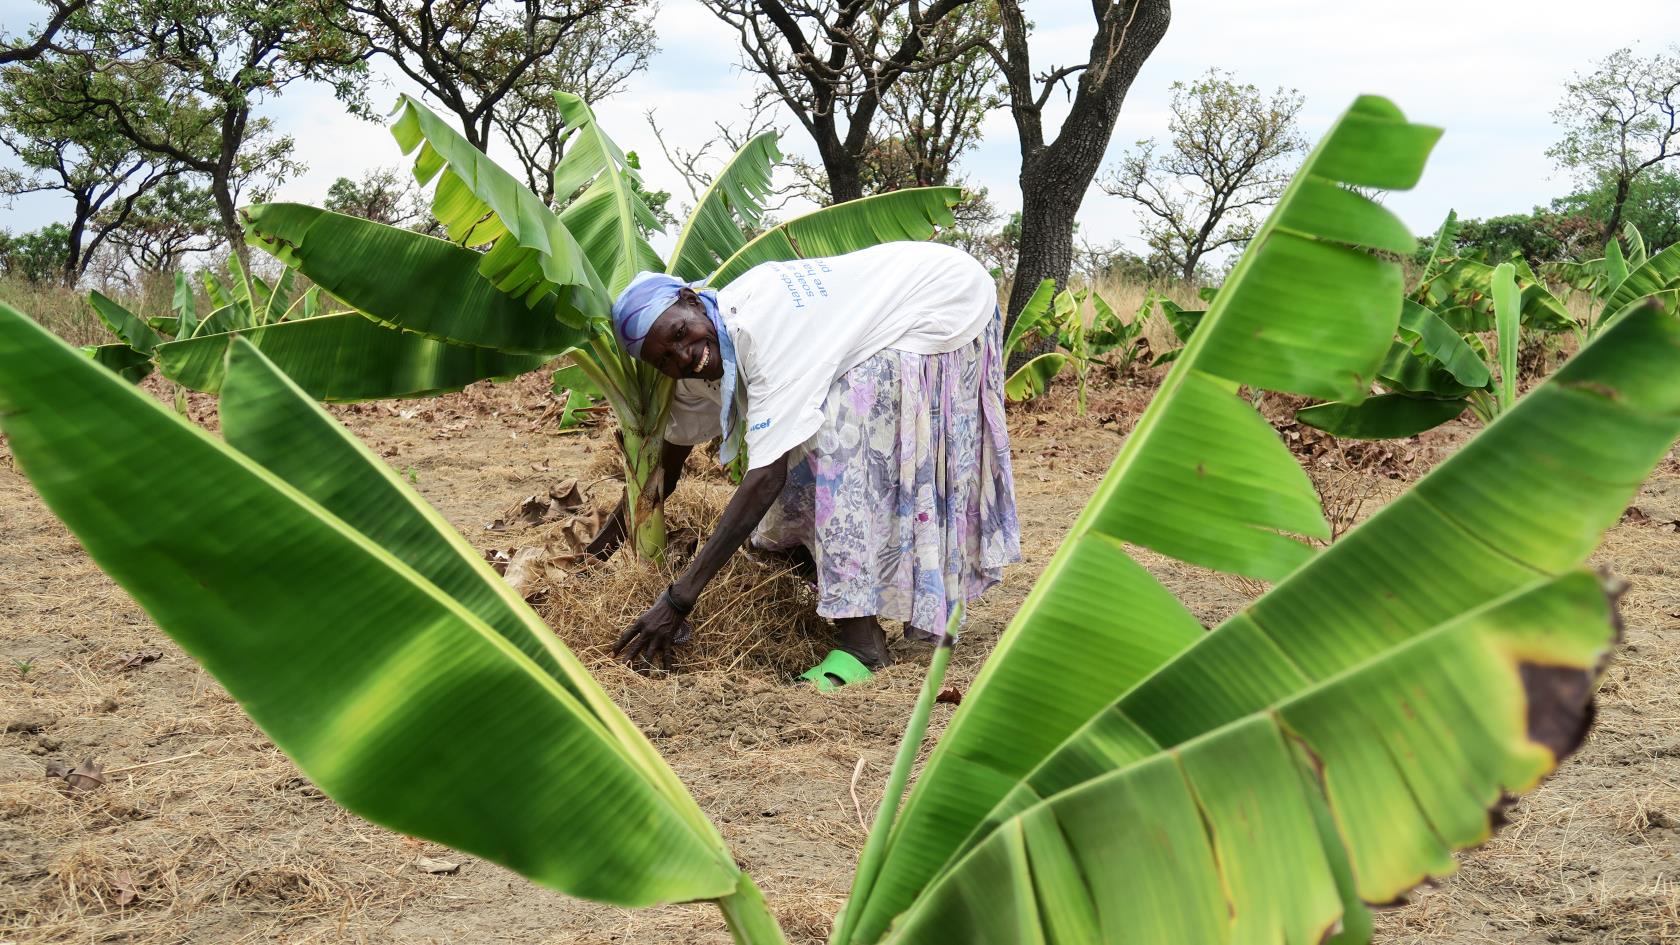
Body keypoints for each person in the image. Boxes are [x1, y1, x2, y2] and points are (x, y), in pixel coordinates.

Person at [597, 240, 1021, 688]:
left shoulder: (760, 330)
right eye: (665, 358)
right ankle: (864, 605)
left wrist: (679, 599)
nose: (684, 356)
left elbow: (766, 479)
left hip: (944, 298)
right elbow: (669, 461)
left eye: (680, 334)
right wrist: (604, 546)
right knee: (813, 456)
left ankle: (866, 641)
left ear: (690, 299)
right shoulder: (708, 342)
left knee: (835, 447)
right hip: (901, 300)